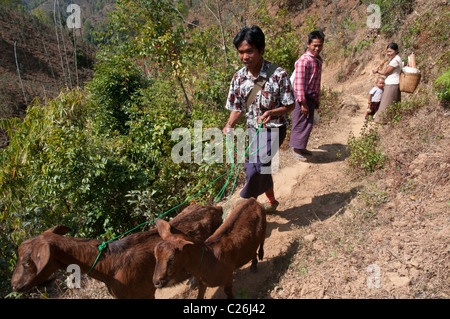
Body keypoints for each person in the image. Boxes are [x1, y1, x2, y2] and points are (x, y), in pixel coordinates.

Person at [222, 26, 295, 213]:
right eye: (241, 52)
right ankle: (271, 201)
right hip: (253, 129)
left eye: (249, 51)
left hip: (274, 128)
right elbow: (238, 108)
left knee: (259, 165)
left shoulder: (279, 75)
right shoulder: (238, 78)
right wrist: (230, 124)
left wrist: (273, 112)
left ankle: (246, 204)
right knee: (257, 168)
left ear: (261, 50)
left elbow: (290, 105)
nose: (245, 56)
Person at [289, 30, 325, 162]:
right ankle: (295, 149)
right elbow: (299, 84)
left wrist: (317, 99)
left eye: (319, 45)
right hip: (301, 97)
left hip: (310, 96)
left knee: (308, 122)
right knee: (300, 122)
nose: (317, 48)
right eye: (314, 45)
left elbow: (317, 81)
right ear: (308, 44)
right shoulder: (304, 61)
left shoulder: (317, 60)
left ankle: (301, 147)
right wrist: (303, 102)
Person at [372, 42, 402, 123]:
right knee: (392, 102)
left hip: (392, 83)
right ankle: (392, 119)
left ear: (396, 51)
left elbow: (386, 72)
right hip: (393, 83)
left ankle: (382, 120)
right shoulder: (396, 59)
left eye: (390, 51)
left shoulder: (395, 60)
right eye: (387, 52)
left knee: (386, 102)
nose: (388, 53)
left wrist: (377, 71)